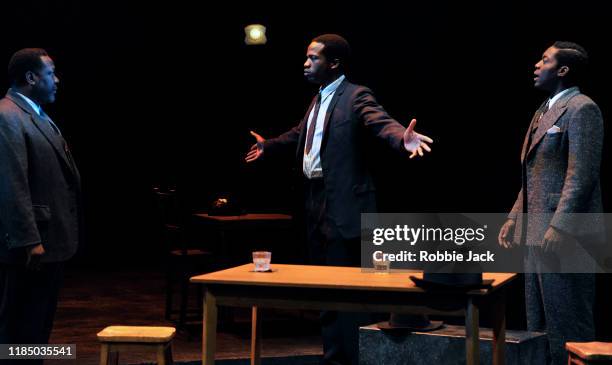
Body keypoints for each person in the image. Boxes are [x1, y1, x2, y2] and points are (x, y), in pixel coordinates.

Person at [245, 34, 432, 365]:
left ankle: (359, 358)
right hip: (316, 202)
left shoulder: (355, 95)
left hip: (345, 207)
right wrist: (270, 146)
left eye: (313, 58)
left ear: (334, 63)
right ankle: (334, 357)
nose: (306, 63)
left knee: (352, 292)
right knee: (325, 288)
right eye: (306, 57)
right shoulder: (318, 99)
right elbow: (298, 135)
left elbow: (378, 120)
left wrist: (400, 137)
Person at [498, 41, 603, 365]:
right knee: (539, 322)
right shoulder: (544, 110)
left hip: (568, 235)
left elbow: (581, 176)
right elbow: (533, 174)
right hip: (537, 230)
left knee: (568, 321)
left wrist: (559, 226)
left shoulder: (582, 108)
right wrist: (515, 216)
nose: (536, 65)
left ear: (563, 69)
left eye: (544, 60)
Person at [0, 48, 81, 360]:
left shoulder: (34, 114)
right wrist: (28, 239)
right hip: (30, 248)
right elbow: (11, 182)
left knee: (36, 328)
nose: (57, 80)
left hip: (50, 244)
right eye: (50, 73)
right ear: (31, 77)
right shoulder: (8, 116)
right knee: (19, 328)